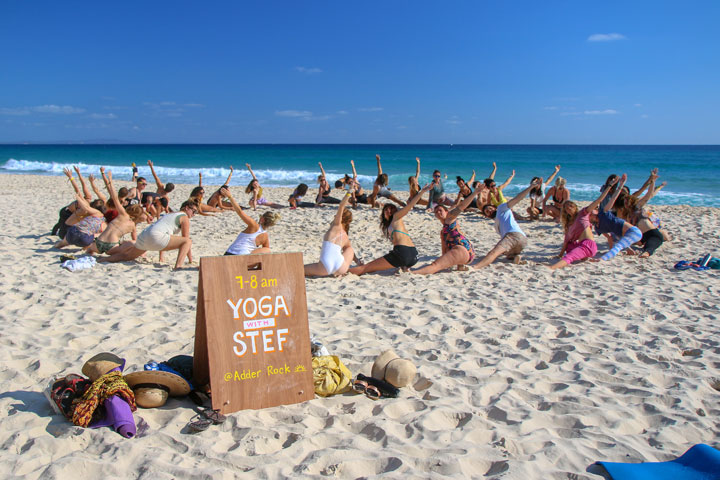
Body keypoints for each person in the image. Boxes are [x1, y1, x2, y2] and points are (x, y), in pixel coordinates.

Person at [349, 183, 433, 275]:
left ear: (395, 211)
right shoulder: (392, 225)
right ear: (383, 213)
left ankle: (341, 272)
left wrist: (422, 191)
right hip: (413, 256)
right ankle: (403, 266)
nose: (389, 211)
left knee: (366, 268)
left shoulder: (396, 217)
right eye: (386, 209)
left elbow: (409, 206)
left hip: (404, 253)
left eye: (392, 209)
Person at [98, 200, 197, 270]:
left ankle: (103, 260)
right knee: (187, 241)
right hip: (156, 237)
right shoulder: (184, 217)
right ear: (186, 208)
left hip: (144, 236)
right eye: (193, 211)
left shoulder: (170, 214)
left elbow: (163, 231)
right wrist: (190, 260)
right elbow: (185, 239)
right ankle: (178, 266)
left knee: (126, 256)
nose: (194, 214)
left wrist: (161, 257)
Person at [548, 178, 618, 270]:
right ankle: (582, 256)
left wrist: (609, 186)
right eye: (566, 207)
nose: (568, 208)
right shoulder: (569, 225)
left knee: (570, 257)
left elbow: (598, 200)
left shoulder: (583, 213)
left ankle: (551, 267)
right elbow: (566, 241)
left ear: (575, 207)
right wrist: (560, 255)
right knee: (569, 246)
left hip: (588, 245)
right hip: (579, 244)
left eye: (570, 206)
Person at [473, 178, 543, 269]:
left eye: (489, 208)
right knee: (507, 255)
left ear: (494, 207)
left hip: (513, 235)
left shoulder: (501, 208)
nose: (489, 211)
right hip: (521, 241)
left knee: (493, 253)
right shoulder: (496, 223)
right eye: (486, 211)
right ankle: (515, 257)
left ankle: (475, 267)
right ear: (487, 216)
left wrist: (531, 187)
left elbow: (518, 198)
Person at [413, 185, 483, 274]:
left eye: (440, 210)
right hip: (460, 252)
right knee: (439, 263)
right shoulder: (443, 232)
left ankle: (413, 273)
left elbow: (461, 206)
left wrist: (475, 193)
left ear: (447, 211)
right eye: (436, 211)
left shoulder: (450, 218)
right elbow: (444, 250)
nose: (438, 212)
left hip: (464, 249)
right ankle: (460, 265)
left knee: (435, 265)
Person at [87, 169, 148, 255]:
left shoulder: (122, 212)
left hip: (98, 244)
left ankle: (89, 250)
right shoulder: (131, 224)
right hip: (111, 248)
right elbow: (135, 241)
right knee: (130, 243)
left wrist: (110, 180)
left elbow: (113, 196)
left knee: (91, 247)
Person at [304, 188, 361, 277]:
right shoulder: (345, 236)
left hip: (325, 266)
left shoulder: (336, 225)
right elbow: (350, 253)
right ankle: (355, 265)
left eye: (336, 215)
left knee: (300, 269)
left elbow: (341, 205)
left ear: (341, 217)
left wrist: (349, 193)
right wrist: (357, 261)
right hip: (341, 267)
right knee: (349, 248)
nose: (335, 216)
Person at [589, 173, 643, 261]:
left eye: (594, 208)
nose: (593, 209)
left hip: (634, 232)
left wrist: (621, 185)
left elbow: (613, 199)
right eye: (591, 212)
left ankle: (602, 259)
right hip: (623, 235)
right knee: (617, 241)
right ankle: (630, 251)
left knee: (618, 246)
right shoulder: (597, 228)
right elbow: (610, 238)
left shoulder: (604, 212)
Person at [222, 187, 281, 255]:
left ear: (262, 219)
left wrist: (230, 197)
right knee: (267, 249)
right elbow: (267, 251)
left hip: (231, 253)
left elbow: (240, 212)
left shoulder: (254, 225)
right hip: (244, 257)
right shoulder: (265, 236)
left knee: (266, 250)